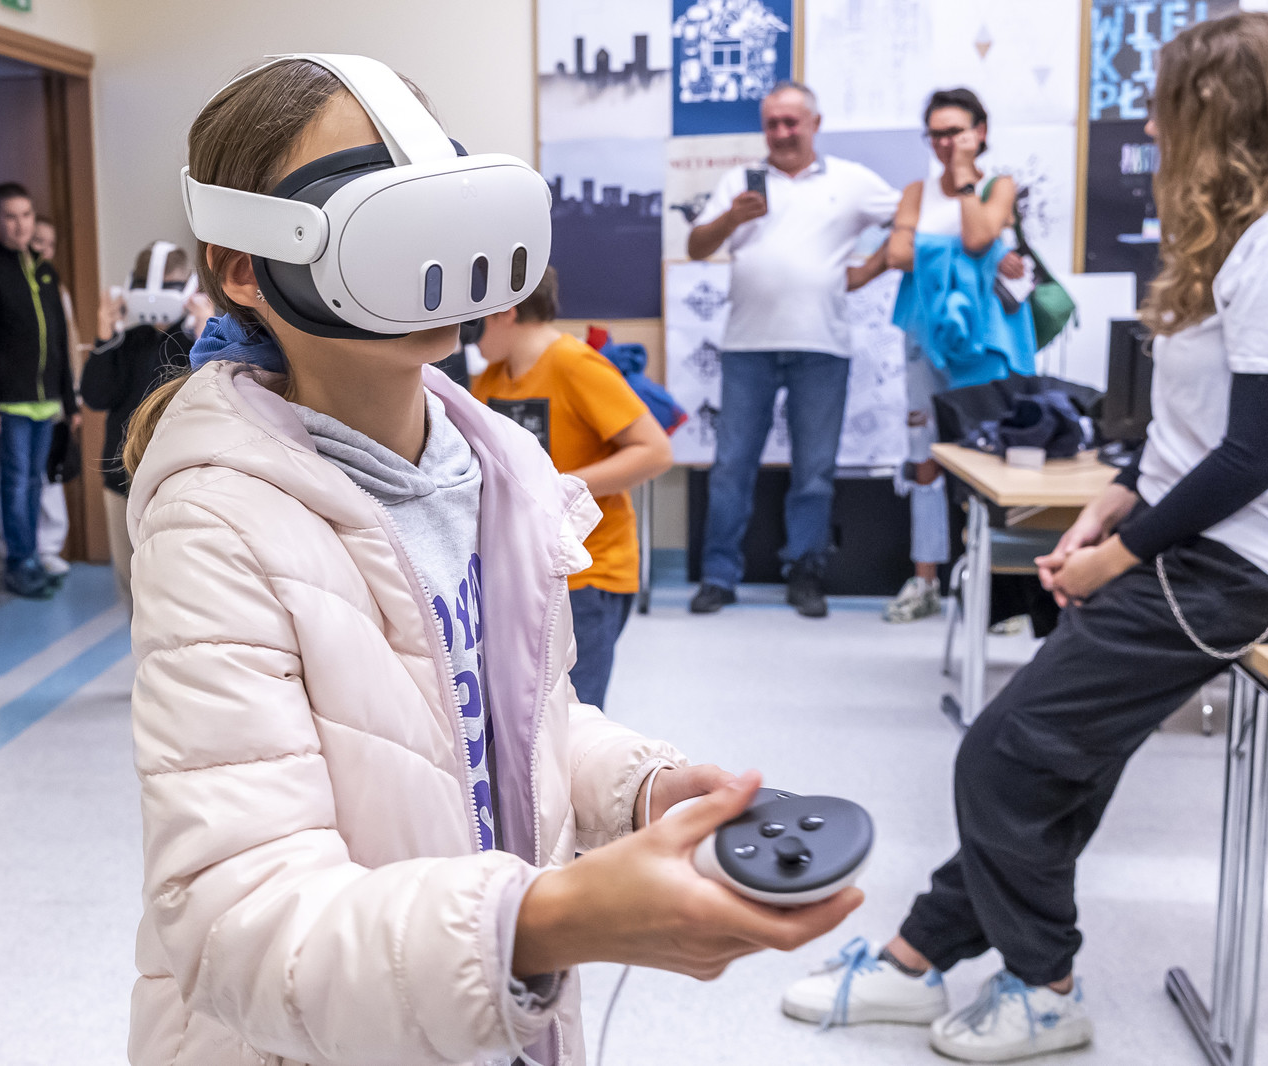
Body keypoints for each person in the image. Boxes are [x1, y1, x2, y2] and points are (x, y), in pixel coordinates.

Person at [121, 55, 858, 1066]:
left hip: (486, 1018)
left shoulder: (497, 466)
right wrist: (545, 923)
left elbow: (496, 713)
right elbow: (238, 927)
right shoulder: (216, 523)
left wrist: (642, 791)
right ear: (245, 267)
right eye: (374, 205)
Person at [781, 13, 1268, 1062]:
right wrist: (1111, 505)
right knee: (1050, 760)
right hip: (1201, 544)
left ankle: (1044, 987)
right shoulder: (1246, 239)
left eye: (1164, 107)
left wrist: (1125, 552)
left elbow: (1255, 455)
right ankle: (915, 960)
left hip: (1252, 566)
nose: (1149, 127)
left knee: (1001, 760)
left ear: (1216, 111)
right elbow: (1190, 432)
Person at [686, 80, 900, 618]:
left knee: (814, 471)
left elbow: (908, 217)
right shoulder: (739, 182)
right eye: (772, 124)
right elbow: (697, 246)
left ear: (814, 124)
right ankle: (718, 576)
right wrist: (732, 218)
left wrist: (870, 269)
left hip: (822, 346)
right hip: (747, 345)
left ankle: (805, 572)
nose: (781, 132)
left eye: (791, 122)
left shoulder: (851, 181)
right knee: (731, 467)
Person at [472, 266, 672, 710]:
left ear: (504, 311)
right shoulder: (492, 377)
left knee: (571, 713)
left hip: (588, 574)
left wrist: (558, 488)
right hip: (526, 570)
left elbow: (655, 451)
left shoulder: (575, 364)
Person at [879, 87, 1037, 624]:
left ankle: (998, 594)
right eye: (937, 134)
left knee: (992, 457)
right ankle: (925, 581)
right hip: (925, 337)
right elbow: (897, 253)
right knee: (923, 453)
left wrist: (967, 183)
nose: (946, 143)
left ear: (980, 132)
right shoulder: (917, 192)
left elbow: (977, 234)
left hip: (986, 341)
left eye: (956, 132)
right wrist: (986, 258)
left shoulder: (998, 185)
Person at [78, 242, 208, 607]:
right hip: (122, 477)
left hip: (179, 481)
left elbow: (215, 398)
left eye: (169, 286)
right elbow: (95, 396)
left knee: (177, 587)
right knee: (131, 584)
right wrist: (105, 333)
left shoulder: (200, 342)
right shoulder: (127, 341)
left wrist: (205, 334)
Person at [0, 181, 77, 597]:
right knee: (14, 483)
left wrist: (70, 402)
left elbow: (60, 341)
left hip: (46, 401)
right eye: (10, 217)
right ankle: (20, 562)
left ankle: (31, 556)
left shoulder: (47, 272)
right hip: (9, 403)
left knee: (34, 482)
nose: (20, 225)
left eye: (26, 215)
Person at [26, 215, 79, 578]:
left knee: (49, 472)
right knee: (12, 475)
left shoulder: (56, 287)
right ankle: (7, 548)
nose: (45, 250)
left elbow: (68, 343)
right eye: (38, 241)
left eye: (50, 244)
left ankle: (47, 548)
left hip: (55, 396)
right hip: (19, 397)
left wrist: (72, 394)